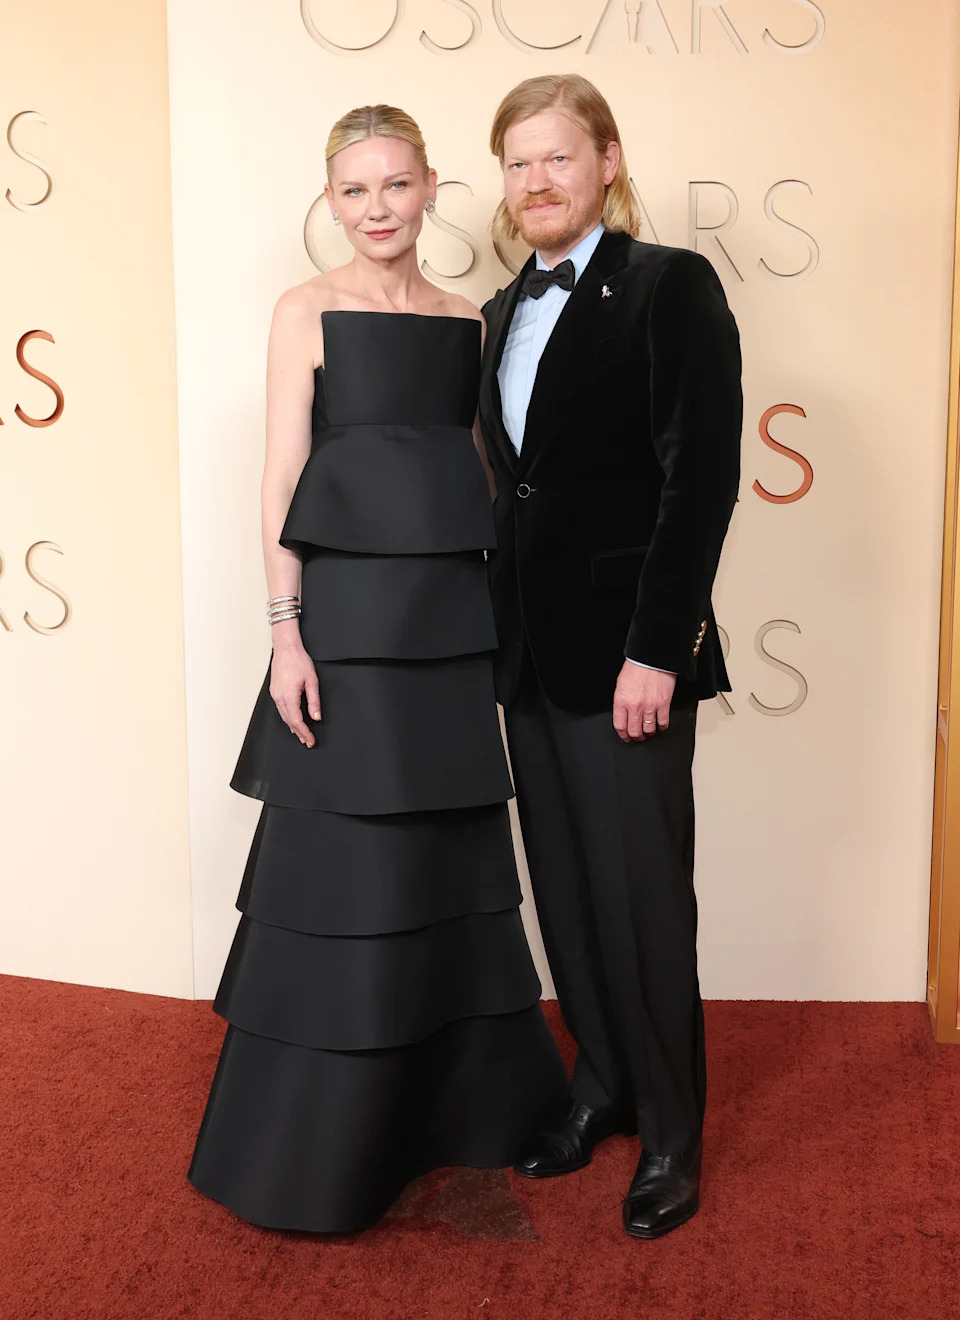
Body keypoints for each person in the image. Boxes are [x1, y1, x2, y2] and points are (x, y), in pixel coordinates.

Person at [188, 103, 568, 1234]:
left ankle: (455, 1113)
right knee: (348, 861)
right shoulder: (303, 310)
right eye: (354, 190)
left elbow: (480, 477)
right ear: (330, 199)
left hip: (447, 629)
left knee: (445, 861)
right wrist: (285, 634)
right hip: (347, 631)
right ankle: (326, 1143)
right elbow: (280, 482)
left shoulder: (466, 323)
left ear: (432, 186)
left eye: (396, 185)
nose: (377, 208)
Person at [478, 74, 742, 1240]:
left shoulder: (668, 286)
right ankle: (602, 1087)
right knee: (571, 896)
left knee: (644, 903)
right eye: (518, 162)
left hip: (630, 658)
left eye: (557, 157)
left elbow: (700, 482)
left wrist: (658, 651)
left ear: (607, 161)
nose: (537, 181)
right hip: (529, 660)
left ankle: (674, 1136)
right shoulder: (499, 312)